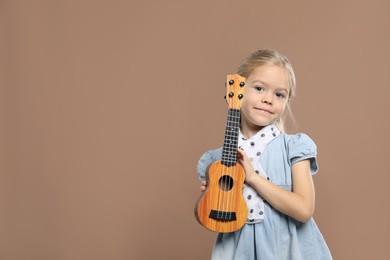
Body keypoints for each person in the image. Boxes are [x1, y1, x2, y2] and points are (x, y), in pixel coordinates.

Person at [196, 49, 332, 259]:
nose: (268, 99)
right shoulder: (217, 160)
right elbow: (218, 217)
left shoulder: (293, 148)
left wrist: (253, 178)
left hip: (285, 248)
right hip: (237, 249)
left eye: (279, 94)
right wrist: (213, 196)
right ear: (238, 91)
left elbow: (304, 210)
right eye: (259, 88)